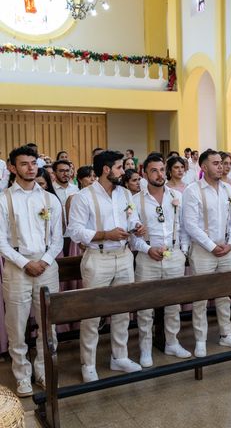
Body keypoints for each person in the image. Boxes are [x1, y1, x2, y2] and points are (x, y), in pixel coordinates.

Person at [67, 150, 146, 382]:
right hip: (97, 258)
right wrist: (104, 234)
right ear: (106, 169)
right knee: (92, 313)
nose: (124, 171)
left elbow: (131, 218)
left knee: (122, 309)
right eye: (120, 167)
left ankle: (119, 356)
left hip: (123, 256)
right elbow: (75, 231)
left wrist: (137, 226)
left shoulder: (124, 194)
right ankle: (88, 363)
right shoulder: (84, 196)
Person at [0, 145, 63, 396]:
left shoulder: (49, 199)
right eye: (24, 164)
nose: (30, 168)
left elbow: (58, 238)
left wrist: (44, 261)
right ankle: (22, 375)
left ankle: (44, 370)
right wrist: (25, 263)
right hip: (17, 266)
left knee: (48, 324)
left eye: (33, 163)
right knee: (16, 324)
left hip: (47, 265)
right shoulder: (4, 199)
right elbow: (1, 240)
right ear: (13, 168)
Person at [130, 154, 191, 368]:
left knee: (173, 303)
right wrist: (147, 248)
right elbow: (132, 236)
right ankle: (145, 349)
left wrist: (182, 251)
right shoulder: (136, 199)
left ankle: (172, 342)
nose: (159, 174)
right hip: (148, 257)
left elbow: (183, 226)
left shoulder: (175, 195)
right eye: (154, 170)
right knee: (145, 307)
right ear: (145, 174)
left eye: (162, 170)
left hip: (174, 255)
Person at [183, 149, 231, 355]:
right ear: (203, 167)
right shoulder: (193, 190)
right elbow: (190, 225)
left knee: (224, 294)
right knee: (201, 297)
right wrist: (211, 246)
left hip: (226, 249)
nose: (221, 167)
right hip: (203, 251)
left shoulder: (228, 189)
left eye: (222, 163)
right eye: (216, 163)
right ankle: (200, 339)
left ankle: (226, 334)